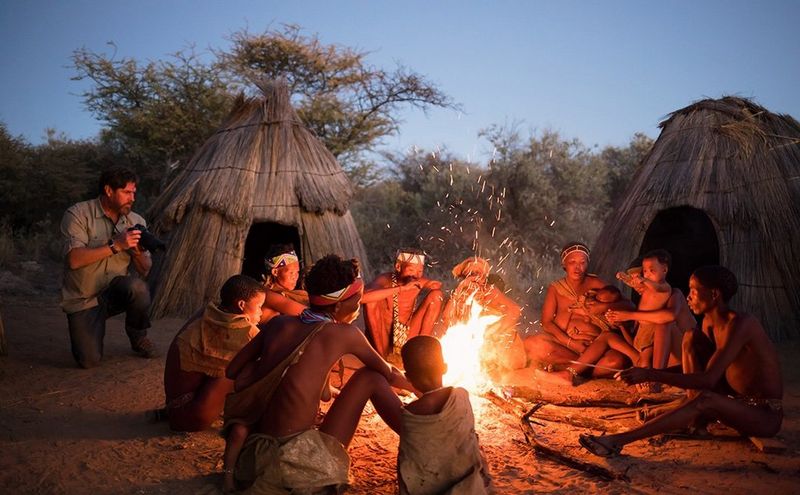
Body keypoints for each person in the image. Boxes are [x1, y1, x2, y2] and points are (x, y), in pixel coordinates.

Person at [220, 255, 414, 493]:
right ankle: (420, 441)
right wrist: (422, 387)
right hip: (296, 458)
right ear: (339, 305)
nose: (358, 306)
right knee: (370, 377)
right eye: (357, 299)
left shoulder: (278, 324)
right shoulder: (344, 334)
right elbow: (390, 374)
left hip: (256, 451)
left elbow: (232, 370)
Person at [579, 266, 783, 457]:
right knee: (690, 338)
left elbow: (708, 380)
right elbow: (695, 373)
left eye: (694, 291)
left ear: (714, 294)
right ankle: (697, 422)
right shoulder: (709, 322)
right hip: (732, 402)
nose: (689, 296)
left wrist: (651, 374)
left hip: (762, 415)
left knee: (705, 399)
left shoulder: (742, 324)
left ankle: (617, 441)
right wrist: (645, 372)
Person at [60, 166, 156, 368]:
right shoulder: (78, 214)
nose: (132, 198)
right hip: (84, 299)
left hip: (114, 293)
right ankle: (92, 324)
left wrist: (136, 251)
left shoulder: (136, 220)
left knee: (138, 287)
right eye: (126, 192)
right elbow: (73, 260)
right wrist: (117, 245)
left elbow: (145, 269)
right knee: (88, 361)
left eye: (134, 193)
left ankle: (138, 336)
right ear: (109, 190)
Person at [162, 275, 265, 432]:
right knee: (248, 367)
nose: (261, 312)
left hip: (175, 407)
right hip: (190, 416)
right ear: (242, 305)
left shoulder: (208, 312)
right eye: (258, 306)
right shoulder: (243, 331)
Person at [397, 336, 491, 494]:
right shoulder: (462, 396)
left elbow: (409, 459)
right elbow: (470, 439)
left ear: (407, 377)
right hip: (468, 486)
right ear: (445, 367)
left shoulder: (410, 413)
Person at [523, 242, 632, 376]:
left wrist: (603, 306)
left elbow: (629, 306)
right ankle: (583, 369)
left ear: (587, 264)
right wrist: (571, 343)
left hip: (596, 346)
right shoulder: (556, 288)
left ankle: (571, 369)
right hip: (567, 345)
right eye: (572, 262)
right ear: (564, 264)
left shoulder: (596, 283)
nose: (577, 268)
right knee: (532, 344)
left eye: (582, 262)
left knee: (616, 361)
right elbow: (547, 323)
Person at [437, 257, 526, 373]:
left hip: (504, 353)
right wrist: (460, 288)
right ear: (464, 277)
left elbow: (515, 310)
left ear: (484, 278)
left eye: (478, 273)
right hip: (478, 352)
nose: (474, 277)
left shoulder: (490, 292)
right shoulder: (459, 296)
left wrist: (495, 333)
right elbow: (446, 319)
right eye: (471, 274)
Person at [362, 248, 443, 360]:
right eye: (411, 270)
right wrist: (401, 289)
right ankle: (382, 360)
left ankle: (420, 351)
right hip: (383, 340)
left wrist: (433, 285)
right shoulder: (385, 280)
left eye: (420, 271)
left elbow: (434, 286)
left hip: (406, 337)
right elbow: (362, 297)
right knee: (371, 301)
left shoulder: (417, 282)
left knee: (436, 295)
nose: (415, 275)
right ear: (398, 267)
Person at [259, 244, 308, 324]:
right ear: (275, 272)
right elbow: (309, 314)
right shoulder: (266, 294)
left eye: (297, 272)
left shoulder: (290, 294)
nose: (295, 277)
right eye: (291, 272)